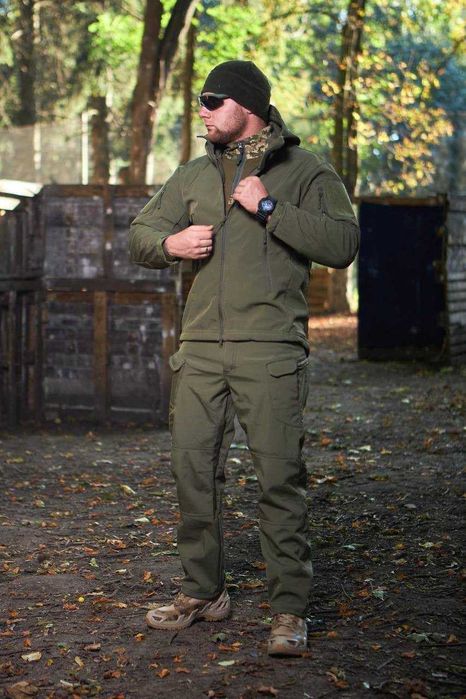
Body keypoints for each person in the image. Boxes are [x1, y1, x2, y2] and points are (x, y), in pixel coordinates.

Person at [129, 60, 360, 656]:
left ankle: (288, 610)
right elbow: (139, 234)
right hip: (200, 350)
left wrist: (270, 209)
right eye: (201, 101)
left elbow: (343, 243)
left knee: (279, 479)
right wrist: (170, 243)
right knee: (193, 473)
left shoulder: (306, 170)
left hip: (271, 350)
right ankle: (202, 591)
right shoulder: (193, 174)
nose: (201, 110)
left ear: (248, 106)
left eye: (213, 100)